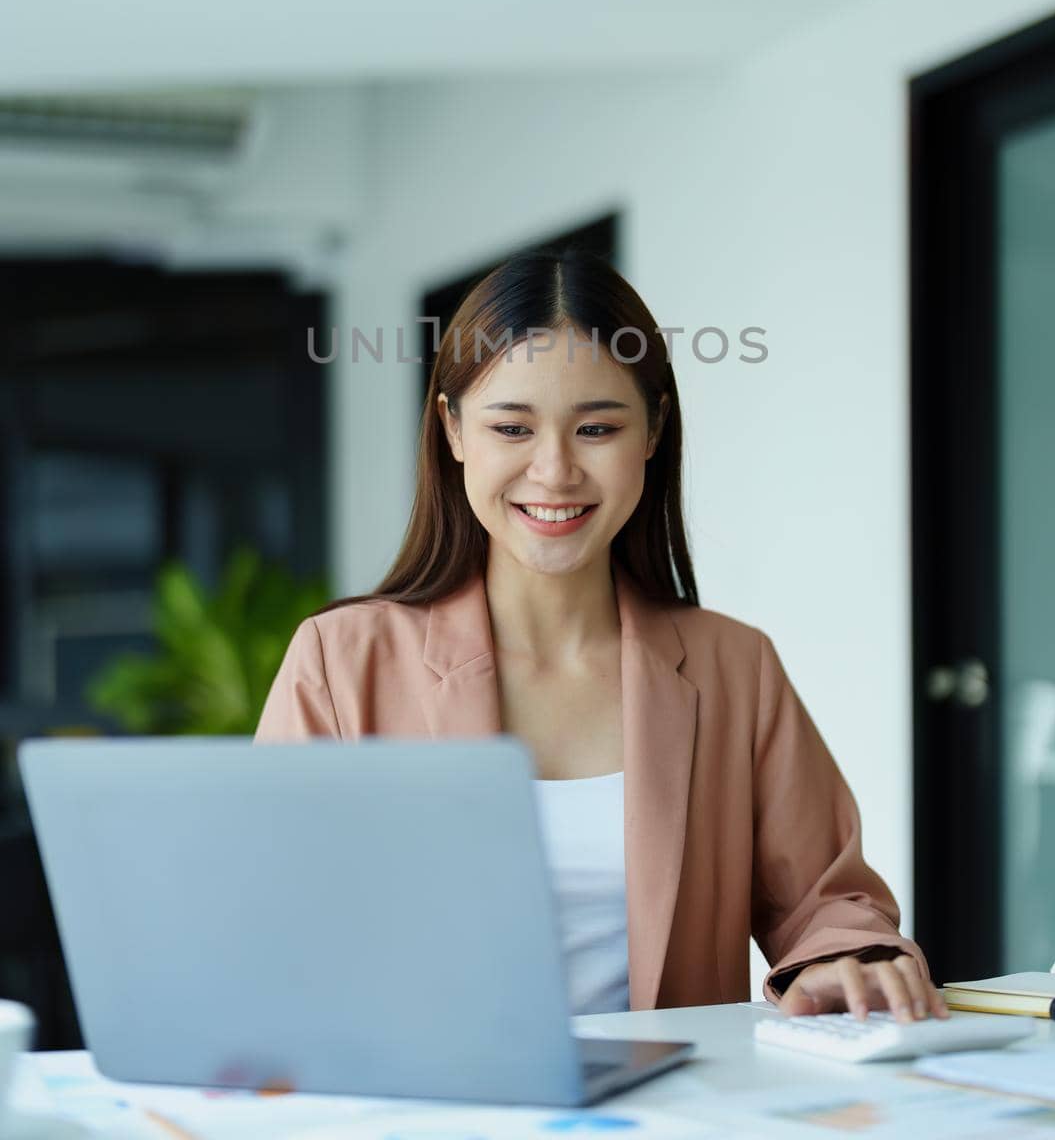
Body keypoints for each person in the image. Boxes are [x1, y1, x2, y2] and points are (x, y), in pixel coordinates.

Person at [255, 247, 948, 1024]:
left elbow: (825, 899)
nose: (553, 472)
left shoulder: (732, 666)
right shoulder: (342, 662)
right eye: (510, 427)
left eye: (595, 427)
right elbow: (272, 929)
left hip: (672, 1110)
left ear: (652, 429)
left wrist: (841, 960)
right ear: (452, 432)